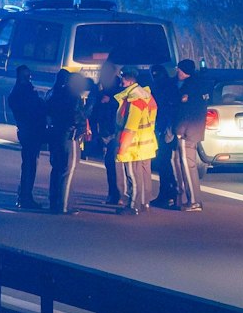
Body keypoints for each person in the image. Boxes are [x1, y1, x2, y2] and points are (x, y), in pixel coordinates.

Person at [44, 69, 89, 214]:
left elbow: (48, 111)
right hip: (70, 135)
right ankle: (64, 205)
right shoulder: (74, 97)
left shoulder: (55, 93)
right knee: (68, 169)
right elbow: (77, 117)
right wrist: (82, 125)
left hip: (55, 133)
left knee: (56, 168)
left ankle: (54, 201)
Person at [115, 67, 159, 214]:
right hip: (145, 140)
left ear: (127, 80)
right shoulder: (145, 94)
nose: (120, 81)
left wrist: (123, 147)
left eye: (122, 78)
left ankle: (133, 206)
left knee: (132, 175)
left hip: (134, 143)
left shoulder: (134, 98)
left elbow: (130, 126)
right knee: (142, 173)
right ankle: (143, 202)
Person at [7, 65, 49, 209]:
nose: (28, 78)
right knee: (29, 166)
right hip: (30, 132)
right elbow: (34, 111)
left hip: (27, 131)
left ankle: (25, 195)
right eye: (27, 75)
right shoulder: (24, 93)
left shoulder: (19, 92)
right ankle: (25, 197)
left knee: (29, 165)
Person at [170, 58, 207, 212]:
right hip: (193, 130)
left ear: (184, 71)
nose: (177, 71)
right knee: (183, 163)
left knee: (187, 165)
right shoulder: (199, 85)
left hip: (187, 132)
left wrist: (179, 130)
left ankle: (194, 201)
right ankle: (188, 198)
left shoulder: (189, 88)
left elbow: (186, 112)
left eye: (179, 69)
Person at [86, 74, 123, 205]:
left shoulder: (119, 96)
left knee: (114, 165)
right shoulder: (101, 95)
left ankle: (117, 195)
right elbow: (93, 115)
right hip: (106, 133)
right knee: (110, 164)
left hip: (115, 133)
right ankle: (113, 194)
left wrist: (110, 100)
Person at [150, 63, 181, 206]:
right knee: (165, 163)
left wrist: (167, 129)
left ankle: (171, 193)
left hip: (165, 129)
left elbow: (168, 110)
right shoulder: (168, 86)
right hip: (163, 128)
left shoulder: (164, 88)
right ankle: (167, 194)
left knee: (167, 163)